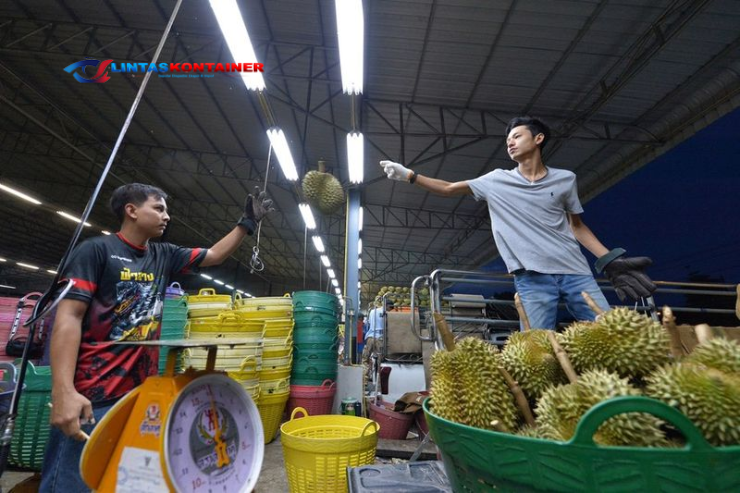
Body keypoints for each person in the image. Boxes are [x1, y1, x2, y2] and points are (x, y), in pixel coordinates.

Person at [40, 183, 274, 492]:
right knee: (72, 483)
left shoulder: (165, 255)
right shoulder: (96, 251)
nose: (167, 216)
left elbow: (215, 255)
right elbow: (68, 319)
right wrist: (64, 392)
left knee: (115, 479)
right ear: (132, 210)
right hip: (91, 397)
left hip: (137, 395)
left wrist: (247, 223)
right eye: (159, 208)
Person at [380, 116, 656, 330]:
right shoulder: (495, 180)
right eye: (507, 140)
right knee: (536, 350)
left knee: (611, 331)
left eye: (516, 136)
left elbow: (577, 226)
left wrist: (608, 260)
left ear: (538, 138)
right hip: (531, 279)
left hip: (576, 273)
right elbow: (449, 188)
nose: (509, 143)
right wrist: (410, 176)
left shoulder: (565, 179)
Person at [362, 299, 393, 383]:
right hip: (380, 338)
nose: (390, 309)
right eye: (390, 307)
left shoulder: (372, 311)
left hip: (370, 337)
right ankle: (379, 381)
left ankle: (363, 380)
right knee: (380, 360)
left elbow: (368, 323)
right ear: (387, 306)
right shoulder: (387, 313)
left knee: (365, 359)